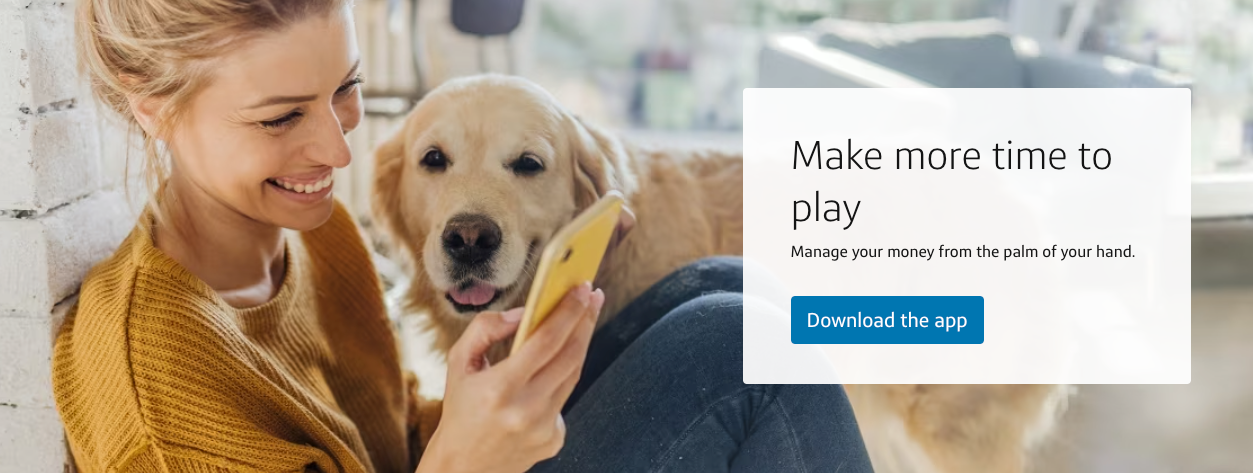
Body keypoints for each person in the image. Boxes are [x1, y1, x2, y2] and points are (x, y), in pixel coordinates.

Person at [54, 0, 874, 472]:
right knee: (732, 348)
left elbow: (389, 434)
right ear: (152, 108)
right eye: (280, 118)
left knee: (722, 288)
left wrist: (505, 384)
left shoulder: (310, 235)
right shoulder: (159, 389)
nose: (338, 149)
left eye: (344, 90)